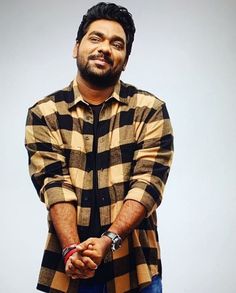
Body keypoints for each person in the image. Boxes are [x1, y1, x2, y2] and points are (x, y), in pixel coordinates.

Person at [25, 2, 174, 293]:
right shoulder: (44, 113)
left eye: (116, 43)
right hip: (69, 268)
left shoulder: (149, 110)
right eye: (96, 38)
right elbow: (54, 185)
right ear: (76, 47)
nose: (105, 48)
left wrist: (108, 240)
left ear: (125, 59)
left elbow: (147, 185)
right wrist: (71, 250)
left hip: (135, 269)